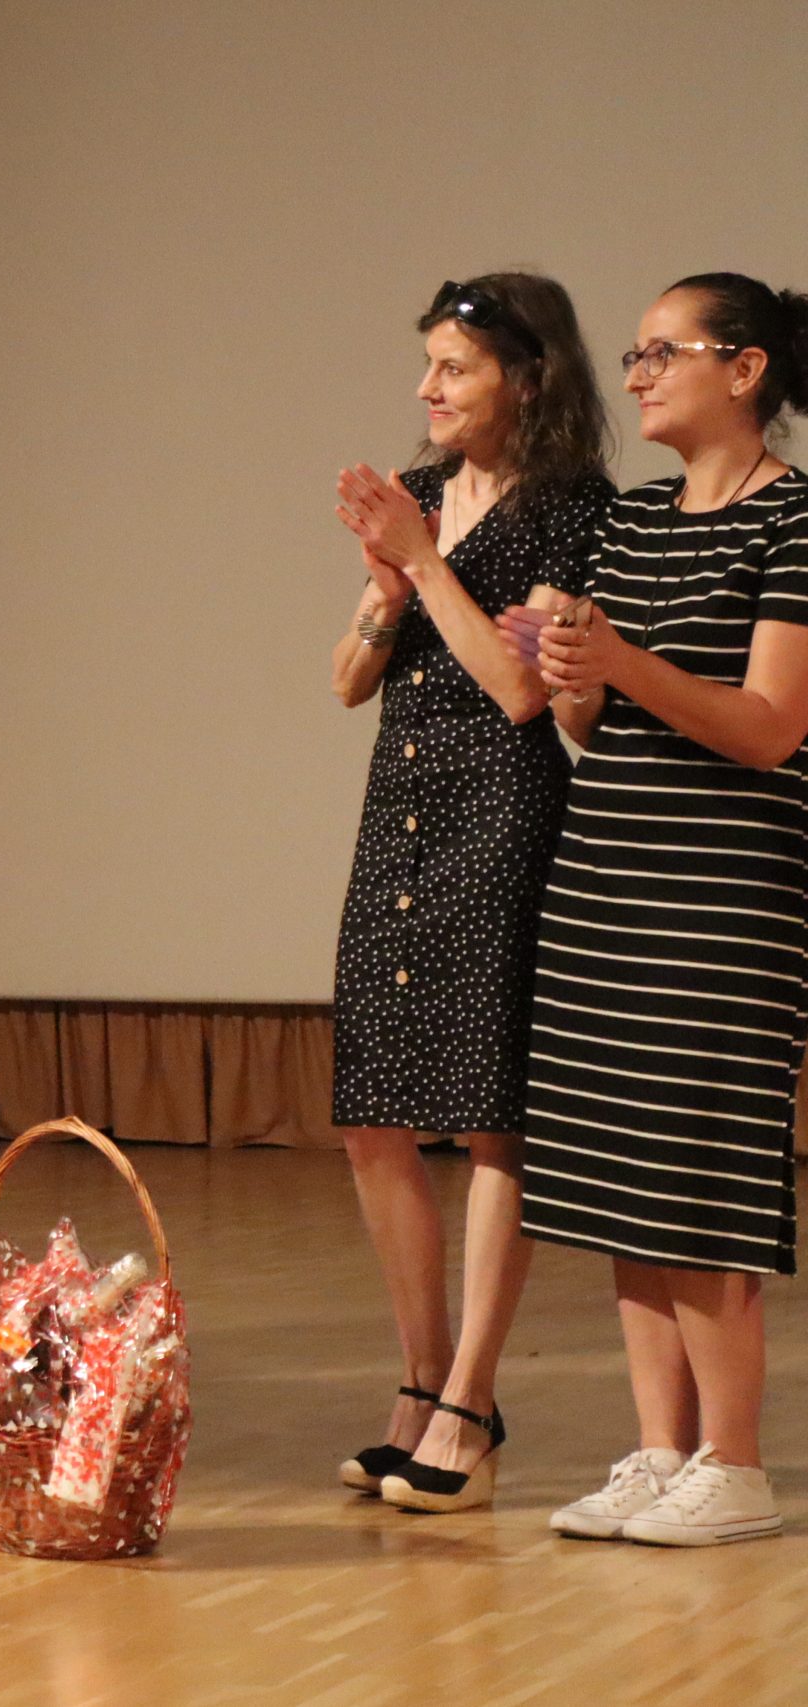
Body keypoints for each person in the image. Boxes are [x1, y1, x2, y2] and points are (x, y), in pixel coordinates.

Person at [500, 273, 808, 1547]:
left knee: (694, 1174)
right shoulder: (629, 520)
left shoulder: (796, 520)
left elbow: (770, 726)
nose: (634, 374)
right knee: (619, 1172)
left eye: (659, 352)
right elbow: (592, 722)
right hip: (606, 873)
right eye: (631, 355)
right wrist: (566, 672)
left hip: (723, 889)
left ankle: (734, 1465)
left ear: (742, 368)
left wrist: (621, 661)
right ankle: (660, 1450)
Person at [325, 275, 614, 1512]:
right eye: (429, 364)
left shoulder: (572, 510)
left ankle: (470, 1400)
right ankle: (423, 1381)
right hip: (397, 813)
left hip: (501, 816)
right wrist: (387, 589)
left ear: (526, 379)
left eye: (454, 367)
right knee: (371, 1115)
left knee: (494, 1115)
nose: (428, 388)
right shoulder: (421, 493)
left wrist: (422, 560)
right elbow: (346, 680)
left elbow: (519, 690)